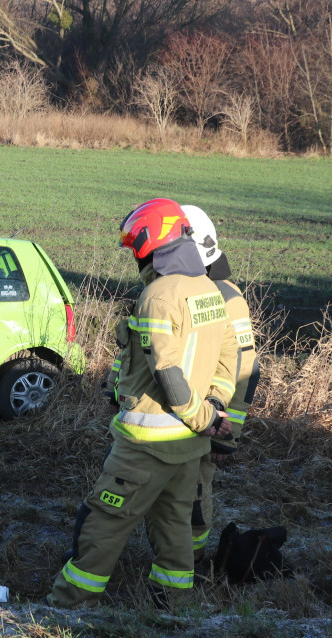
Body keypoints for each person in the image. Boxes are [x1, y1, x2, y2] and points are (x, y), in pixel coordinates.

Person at [49, 198, 238, 609]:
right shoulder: (209, 290)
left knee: (102, 521)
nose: (137, 257)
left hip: (145, 443)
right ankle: (172, 605)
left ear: (154, 245)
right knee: (174, 526)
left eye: (139, 249)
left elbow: (167, 372)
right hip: (188, 447)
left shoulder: (158, 295)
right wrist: (215, 407)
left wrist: (201, 416)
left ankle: (67, 604)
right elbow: (229, 358)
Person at [182, 205, 260, 562]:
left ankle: (191, 567)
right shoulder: (180, 285)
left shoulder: (227, 297)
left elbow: (245, 370)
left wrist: (226, 436)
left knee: (195, 498)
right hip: (178, 416)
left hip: (207, 422)